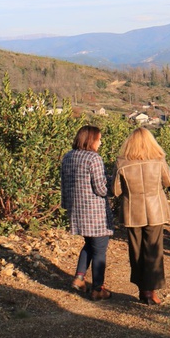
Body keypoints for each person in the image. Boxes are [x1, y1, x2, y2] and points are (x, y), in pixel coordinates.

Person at [112, 127, 170, 305]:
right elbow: (169, 181)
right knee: (153, 250)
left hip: (132, 211)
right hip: (156, 210)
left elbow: (115, 190)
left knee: (136, 251)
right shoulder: (158, 159)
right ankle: (151, 291)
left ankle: (142, 290)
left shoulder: (121, 162)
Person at [61, 125, 114, 300]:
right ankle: (98, 288)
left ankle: (79, 278)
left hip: (77, 210)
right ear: (91, 140)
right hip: (95, 212)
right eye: (99, 139)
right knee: (99, 248)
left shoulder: (68, 156)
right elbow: (100, 188)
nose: (101, 142)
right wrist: (113, 185)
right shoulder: (94, 158)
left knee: (89, 244)